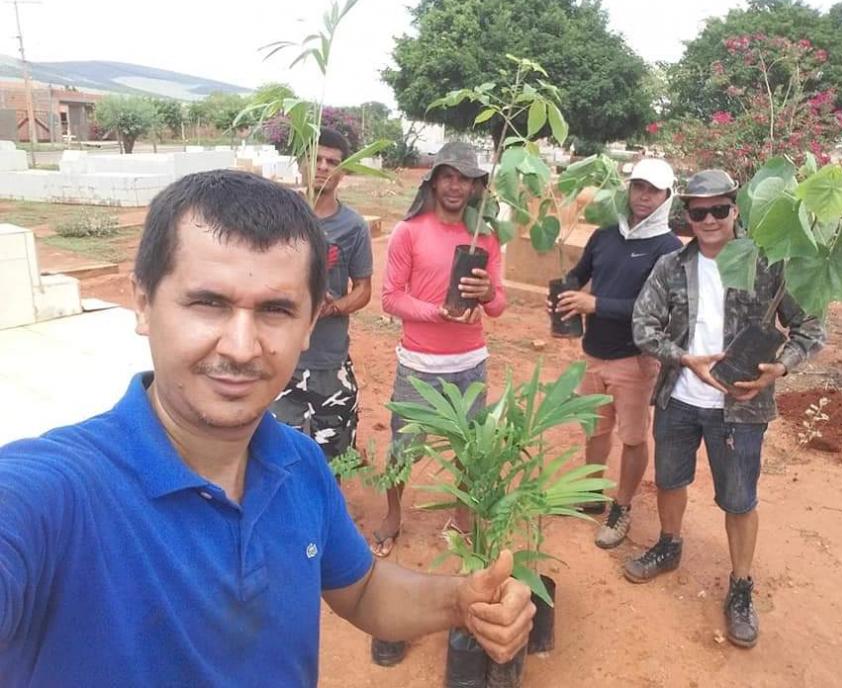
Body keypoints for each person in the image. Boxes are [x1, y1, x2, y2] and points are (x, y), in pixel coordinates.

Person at [0, 170, 533, 685]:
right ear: (143, 302)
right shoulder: (58, 494)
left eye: (276, 310)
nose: (240, 346)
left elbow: (364, 589)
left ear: (308, 325)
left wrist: (460, 601)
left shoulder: (299, 465)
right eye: (208, 303)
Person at [626, 169, 824, 648]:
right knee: (671, 480)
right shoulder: (671, 266)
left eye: (720, 209)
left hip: (740, 407)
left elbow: (810, 328)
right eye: (699, 211)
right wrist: (682, 358)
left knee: (739, 499)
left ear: (736, 209)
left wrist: (781, 367)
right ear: (688, 216)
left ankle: (740, 586)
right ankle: (670, 545)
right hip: (679, 399)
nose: (710, 219)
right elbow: (642, 326)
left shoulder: (770, 265)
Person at [371, 142, 506, 559]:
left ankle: (463, 515)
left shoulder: (484, 235)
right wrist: (437, 313)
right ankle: (393, 512)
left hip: (470, 362)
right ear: (433, 182)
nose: (455, 185)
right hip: (419, 363)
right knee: (403, 445)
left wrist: (485, 294)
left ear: (475, 185)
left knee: (469, 446)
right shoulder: (409, 231)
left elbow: (499, 305)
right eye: (448, 175)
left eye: (464, 178)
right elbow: (391, 298)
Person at [551, 159, 682, 549]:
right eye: (638, 187)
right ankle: (592, 493)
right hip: (593, 353)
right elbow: (580, 272)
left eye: (653, 191)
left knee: (632, 437)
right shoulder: (607, 235)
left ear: (666, 197)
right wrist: (566, 287)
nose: (644, 196)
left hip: (635, 358)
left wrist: (596, 304)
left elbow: (656, 310)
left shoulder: (668, 248)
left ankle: (621, 507)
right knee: (595, 429)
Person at [270, 128, 372, 462]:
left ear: (343, 172)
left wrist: (333, 307)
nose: (324, 167)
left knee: (334, 456)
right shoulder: (278, 217)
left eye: (333, 162)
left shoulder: (353, 226)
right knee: (279, 455)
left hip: (329, 360)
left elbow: (363, 289)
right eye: (318, 159)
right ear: (302, 162)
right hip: (280, 359)